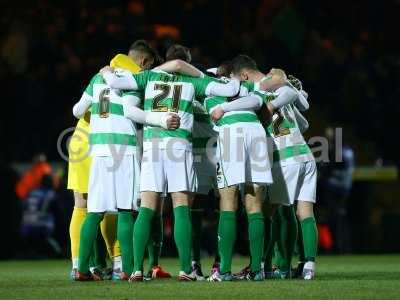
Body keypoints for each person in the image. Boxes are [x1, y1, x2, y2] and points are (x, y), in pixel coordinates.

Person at [101, 62, 240, 281]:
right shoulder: (192, 81)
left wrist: (107, 71)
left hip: (153, 146)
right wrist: (221, 75)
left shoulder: (147, 77)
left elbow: (115, 84)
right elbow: (232, 89)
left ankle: (137, 269)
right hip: (179, 147)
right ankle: (186, 269)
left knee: (146, 209)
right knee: (181, 209)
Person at [67, 40, 158, 280]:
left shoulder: (98, 78)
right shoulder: (135, 79)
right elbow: (131, 112)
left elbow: (77, 111)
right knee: (125, 210)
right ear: (143, 61)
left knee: (94, 211)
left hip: (98, 150)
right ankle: (125, 270)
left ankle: (82, 269)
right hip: (124, 150)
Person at [226, 56, 318, 280]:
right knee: (304, 213)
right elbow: (304, 122)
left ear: (244, 76)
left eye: (237, 80)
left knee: (267, 213)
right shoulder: (278, 85)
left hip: (283, 158)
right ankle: (307, 267)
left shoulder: (254, 93)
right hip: (305, 153)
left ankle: (265, 266)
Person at [203, 65, 273, 281]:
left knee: (228, 201)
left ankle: (223, 270)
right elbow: (259, 101)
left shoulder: (210, 91)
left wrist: (225, 108)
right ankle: (257, 270)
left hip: (232, 133)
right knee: (254, 205)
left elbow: (215, 116)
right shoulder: (248, 86)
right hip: (257, 133)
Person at [20, 175, 61, 257]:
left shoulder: (31, 192)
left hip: (26, 226)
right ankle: (58, 252)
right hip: (43, 227)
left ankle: (28, 252)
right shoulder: (50, 194)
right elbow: (59, 213)